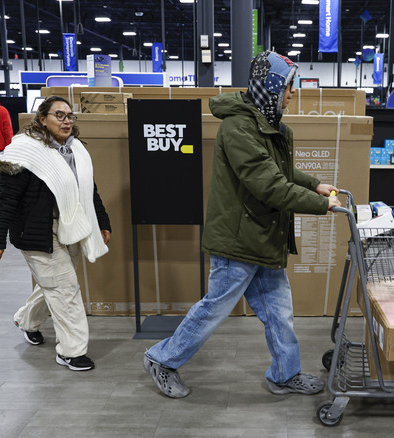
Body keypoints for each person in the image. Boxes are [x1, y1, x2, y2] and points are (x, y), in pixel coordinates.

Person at [143, 51, 342, 398]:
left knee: (280, 312)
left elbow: (277, 170)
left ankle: (284, 373)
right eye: (288, 85)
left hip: (262, 236)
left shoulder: (267, 123)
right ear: (270, 86)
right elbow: (268, 184)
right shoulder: (238, 127)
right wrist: (320, 205)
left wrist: (313, 184)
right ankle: (162, 359)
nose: (292, 92)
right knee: (214, 309)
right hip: (238, 241)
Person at [0, 96, 111, 372]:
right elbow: (5, 199)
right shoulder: (24, 152)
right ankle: (71, 352)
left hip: (71, 227)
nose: (67, 121)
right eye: (59, 115)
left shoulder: (75, 150)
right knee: (65, 290)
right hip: (36, 232)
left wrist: (102, 222)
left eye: (70, 116)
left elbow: (89, 190)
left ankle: (25, 321)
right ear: (42, 119)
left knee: (53, 285)